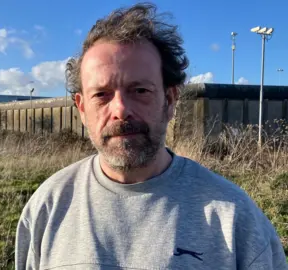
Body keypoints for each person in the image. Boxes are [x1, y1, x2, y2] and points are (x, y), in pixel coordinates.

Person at [15, 3, 287, 269]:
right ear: (82, 108)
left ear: (169, 100)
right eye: (101, 94)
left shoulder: (234, 220)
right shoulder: (47, 208)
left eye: (140, 90)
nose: (120, 109)